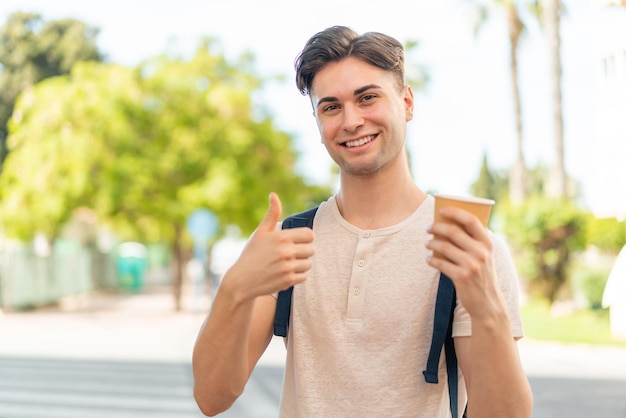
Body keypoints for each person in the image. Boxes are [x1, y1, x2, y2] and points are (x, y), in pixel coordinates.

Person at [192, 25, 533, 417]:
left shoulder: (468, 247)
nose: (351, 121)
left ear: (406, 102)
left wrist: (486, 305)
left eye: (367, 98)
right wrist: (235, 287)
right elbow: (211, 398)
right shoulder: (292, 242)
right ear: (318, 124)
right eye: (331, 107)